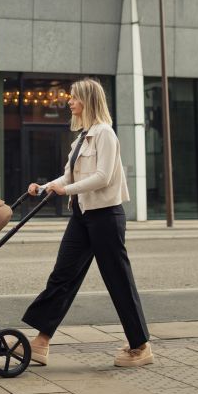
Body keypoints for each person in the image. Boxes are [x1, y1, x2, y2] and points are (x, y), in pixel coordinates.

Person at [21, 78, 153, 368]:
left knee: (117, 280)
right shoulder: (82, 137)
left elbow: (103, 177)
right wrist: (45, 187)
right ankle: (41, 343)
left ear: (88, 101)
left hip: (106, 215)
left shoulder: (105, 134)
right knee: (62, 275)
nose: (70, 102)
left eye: (74, 98)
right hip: (82, 215)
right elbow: (69, 177)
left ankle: (140, 346)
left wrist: (65, 191)